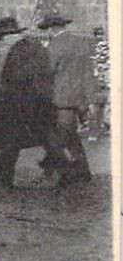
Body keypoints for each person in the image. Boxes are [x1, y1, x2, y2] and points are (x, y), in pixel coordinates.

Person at [0, 15, 55, 188]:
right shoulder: (26, 48)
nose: (2, 42)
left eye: (4, 38)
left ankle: (68, 169)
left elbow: (21, 78)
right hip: (25, 103)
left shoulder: (23, 51)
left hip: (23, 104)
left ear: (12, 35)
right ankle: (3, 176)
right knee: (13, 142)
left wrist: (7, 95)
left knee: (42, 139)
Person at [43, 13, 94, 185]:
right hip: (78, 98)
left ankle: (67, 174)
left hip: (61, 99)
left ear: (51, 28)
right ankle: (83, 171)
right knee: (72, 137)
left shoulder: (55, 45)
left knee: (60, 138)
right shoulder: (80, 43)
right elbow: (87, 71)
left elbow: (47, 71)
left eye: (47, 29)